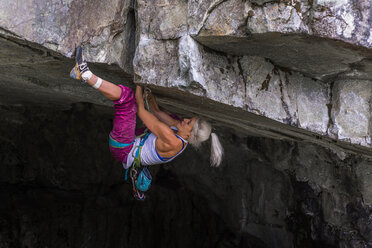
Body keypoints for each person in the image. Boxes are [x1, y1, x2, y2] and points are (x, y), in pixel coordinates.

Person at [70, 46, 223, 169]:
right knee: (171, 119)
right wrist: (148, 95)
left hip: (124, 149)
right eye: (190, 119)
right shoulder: (180, 131)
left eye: (189, 123)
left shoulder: (173, 141)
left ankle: (84, 73)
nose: (186, 119)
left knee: (127, 100)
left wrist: (139, 84)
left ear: (190, 136)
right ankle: (84, 74)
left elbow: (142, 111)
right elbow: (155, 111)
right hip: (135, 140)